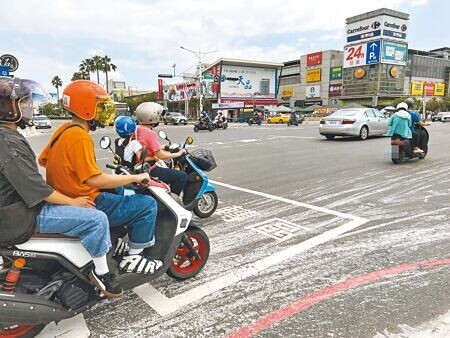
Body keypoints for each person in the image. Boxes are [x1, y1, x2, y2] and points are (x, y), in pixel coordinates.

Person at [0, 77, 123, 298]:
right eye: (23, 103)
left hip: (16, 210)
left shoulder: (9, 136)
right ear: (7, 108)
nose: (28, 107)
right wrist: (73, 201)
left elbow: (41, 164)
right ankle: (102, 275)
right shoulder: (7, 141)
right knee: (97, 218)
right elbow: (37, 189)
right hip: (22, 216)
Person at [38, 80, 162, 275]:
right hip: (87, 200)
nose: (104, 112)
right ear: (86, 109)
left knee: (119, 191)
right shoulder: (80, 137)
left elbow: (44, 160)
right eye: (100, 107)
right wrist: (135, 179)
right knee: (147, 205)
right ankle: (134, 256)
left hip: (65, 195)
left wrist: (74, 173)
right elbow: (94, 180)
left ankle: (116, 241)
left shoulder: (64, 130)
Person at [134, 102, 188, 197]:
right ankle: (173, 202)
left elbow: (146, 146)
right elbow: (161, 155)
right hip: (149, 169)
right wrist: (178, 154)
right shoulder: (149, 133)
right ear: (151, 115)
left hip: (139, 166)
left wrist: (161, 147)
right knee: (182, 176)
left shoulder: (137, 129)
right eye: (157, 114)